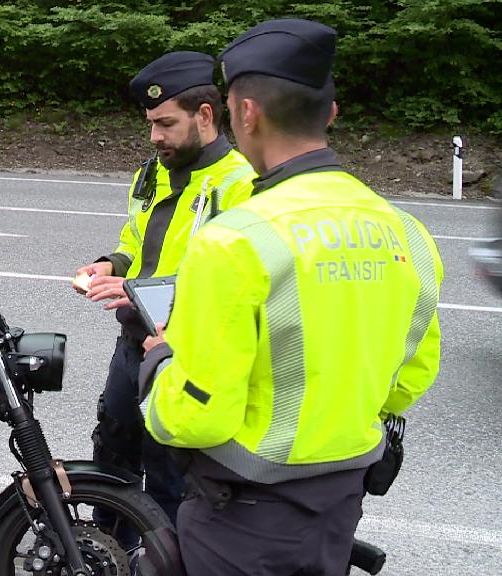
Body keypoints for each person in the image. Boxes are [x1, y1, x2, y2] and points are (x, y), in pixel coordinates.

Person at [138, 19, 443, 575]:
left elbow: (194, 418)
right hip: (341, 499)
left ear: (246, 113)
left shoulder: (236, 239)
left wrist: (158, 364)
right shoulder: (407, 231)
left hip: (245, 513)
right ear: (330, 113)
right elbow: (409, 377)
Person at [75, 51, 255, 523]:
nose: (155, 136)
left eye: (166, 124)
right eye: (151, 123)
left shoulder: (241, 185)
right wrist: (107, 265)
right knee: (113, 458)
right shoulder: (151, 173)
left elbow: (233, 282)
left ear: (206, 116)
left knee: (170, 476)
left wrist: (131, 286)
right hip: (134, 343)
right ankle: (107, 553)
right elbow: (134, 242)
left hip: (187, 353)